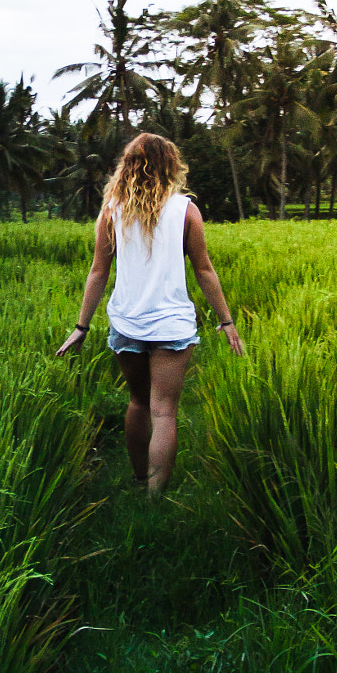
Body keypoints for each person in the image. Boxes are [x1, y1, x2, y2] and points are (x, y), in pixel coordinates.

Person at [55, 133, 245, 494]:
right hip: (172, 325)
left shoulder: (112, 210)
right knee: (164, 412)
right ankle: (154, 500)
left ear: (127, 166)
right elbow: (204, 269)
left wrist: (82, 326)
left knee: (138, 402)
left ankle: (138, 478)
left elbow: (98, 271)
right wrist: (226, 321)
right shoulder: (185, 210)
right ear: (170, 165)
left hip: (127, 322)